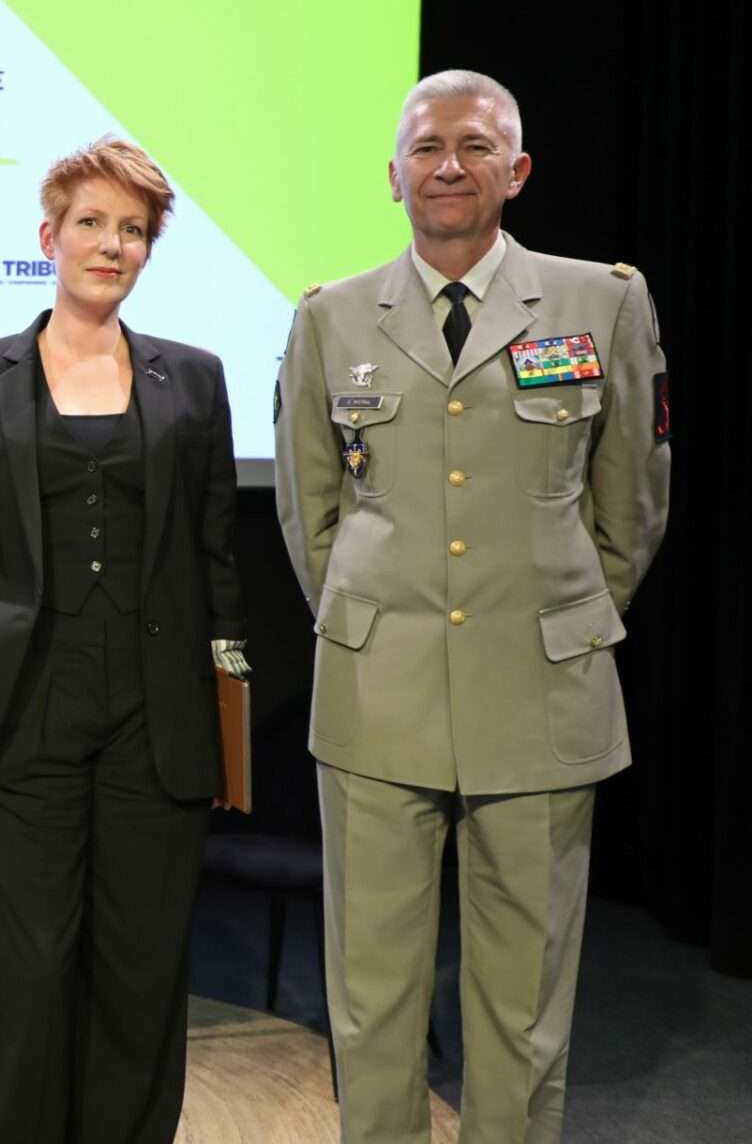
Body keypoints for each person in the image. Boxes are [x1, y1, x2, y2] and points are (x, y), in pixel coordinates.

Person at [274, 70, 671, 1143]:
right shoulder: (331, 314)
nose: (450, 163)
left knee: (525, 1004)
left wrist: (563, 614)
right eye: (428, 145)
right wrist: (369, 612)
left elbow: (630, 501)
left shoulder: (603, 301)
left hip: (541, 689)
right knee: (371, 997)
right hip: (375, 692)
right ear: (393, 171)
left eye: (477, 145)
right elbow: (313, 511)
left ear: (518, 169)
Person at [0, 136, 248, 1143]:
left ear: (149, 249)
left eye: (133, 229)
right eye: (92, 223)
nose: (111, 244)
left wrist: (228, 707)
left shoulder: (193, 377)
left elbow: (218, 556)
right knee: (27, 972)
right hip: (20, 717)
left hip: (159, 721)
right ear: (49, 236)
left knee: (141, 970)